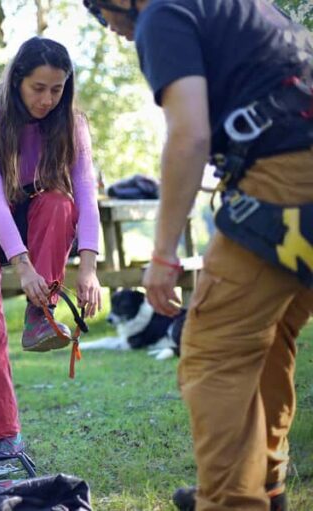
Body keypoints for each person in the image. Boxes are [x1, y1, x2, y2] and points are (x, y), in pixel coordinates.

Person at [82, 1, 313, 510]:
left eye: (99, 11)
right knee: (268, 334)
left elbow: (188, 136)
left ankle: (231, 502)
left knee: (212, 350)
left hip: (288, 178)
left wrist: (163, 254)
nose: (110, 27)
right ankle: (264, 485)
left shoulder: (163, 13)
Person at [0, 37, 102, 453]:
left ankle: (40, 312)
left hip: (33, 206)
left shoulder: (71, 124)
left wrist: (88, 268)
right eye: (38, 88)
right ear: (17, 80)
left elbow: (85, 195)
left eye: (57, 89)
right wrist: (23, 265)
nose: (47, 100)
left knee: (59, 202)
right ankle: (3, 435)